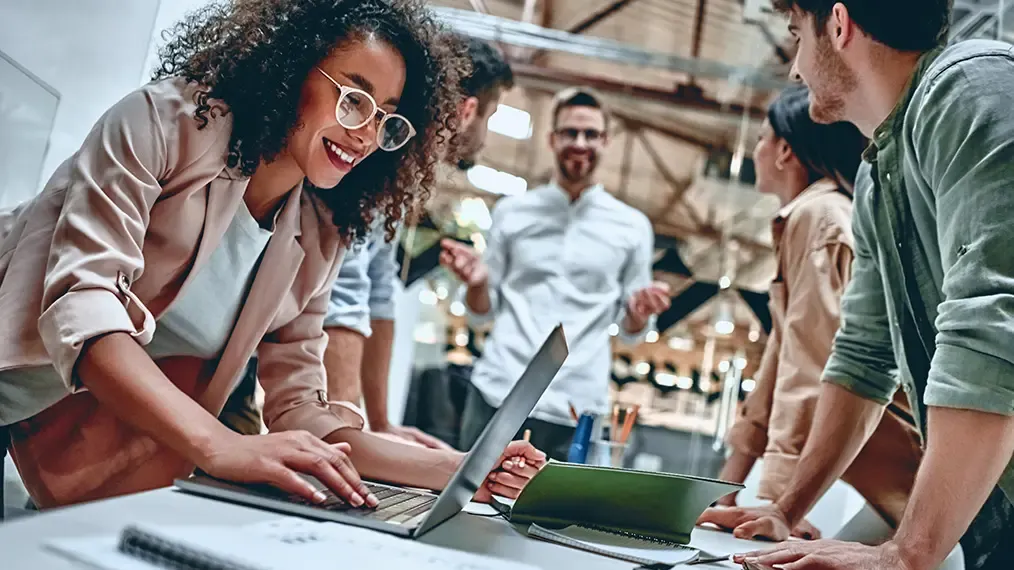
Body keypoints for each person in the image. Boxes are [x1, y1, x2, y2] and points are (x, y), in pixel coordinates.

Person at [0, 0, 543, 512]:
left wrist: (466, 468)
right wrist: (219, 445)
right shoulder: (163, 123)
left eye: (385, 119)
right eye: (353, 99)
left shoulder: (319, 231)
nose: (365, 135)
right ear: (292, 68)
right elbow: (85, 306)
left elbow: (301, 408)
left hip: (55, 425)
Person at [714, 2, 1014, 569]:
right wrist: (784, 507)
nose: (795, 69)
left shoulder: (974, 89)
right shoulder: (878, 175)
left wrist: (907, 554)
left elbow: (994, 329)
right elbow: (861, 356)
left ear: (839, 24)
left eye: (797, 36)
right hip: (991, 505)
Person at [698, 85, 922, 542]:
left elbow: (812, 365)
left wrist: (780, 505)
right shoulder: (811, 217)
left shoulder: (819, 218)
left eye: (761, 138)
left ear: (784, 150)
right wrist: (727, 487)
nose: (756, 149)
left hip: (912, 464)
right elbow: (778, 364)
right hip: (893, 474)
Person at [441, 87, 672, 461]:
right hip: (500, 390)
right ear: (551, 139)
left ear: (606, 141)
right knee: (467, 505)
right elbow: (481, 311)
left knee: (556, 518)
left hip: (577, 405)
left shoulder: (633, 227)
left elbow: (632, 333)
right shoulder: (512, 212)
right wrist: (478, 284)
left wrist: (639, 313)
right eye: (569, 132)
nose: (580, 143)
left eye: (591, 134)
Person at [318, 36, 514, 449]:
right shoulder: (377, 156)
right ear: (467, 110)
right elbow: (346, 293)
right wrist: (352, 438)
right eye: (491, 117)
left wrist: (380, 423)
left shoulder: (404, 173)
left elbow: (379, 291)